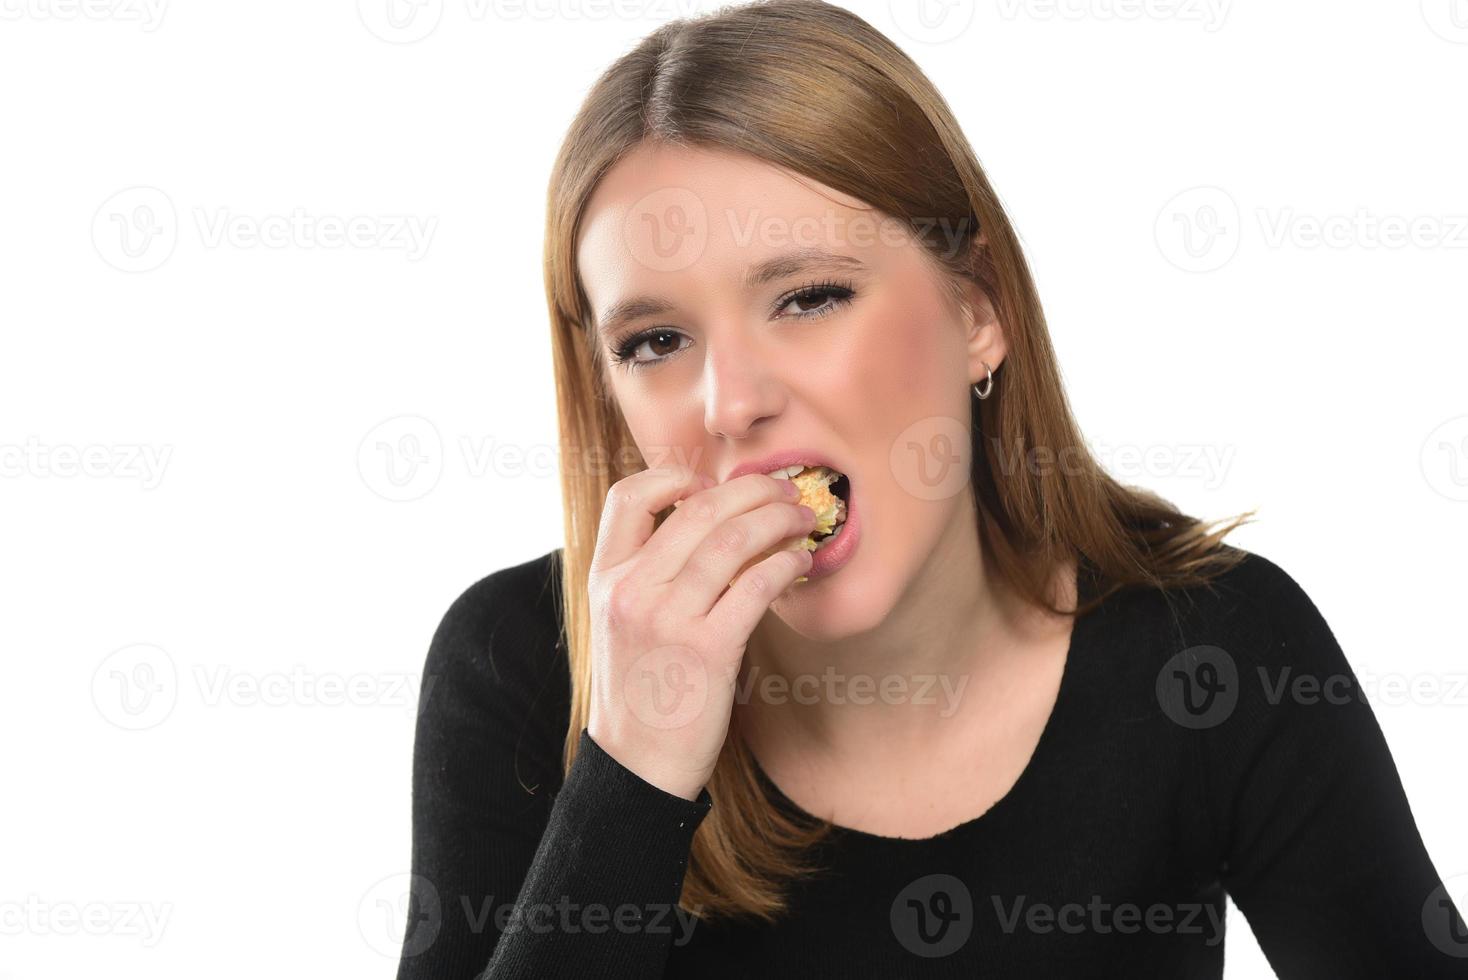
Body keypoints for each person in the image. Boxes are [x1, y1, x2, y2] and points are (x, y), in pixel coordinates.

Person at [394, 2, 1468, 976]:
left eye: (809, 297)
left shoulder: (1213, 648)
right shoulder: (517, 666)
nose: (727, 401)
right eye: (657, 337)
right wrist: (630, 770)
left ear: (977, 311)